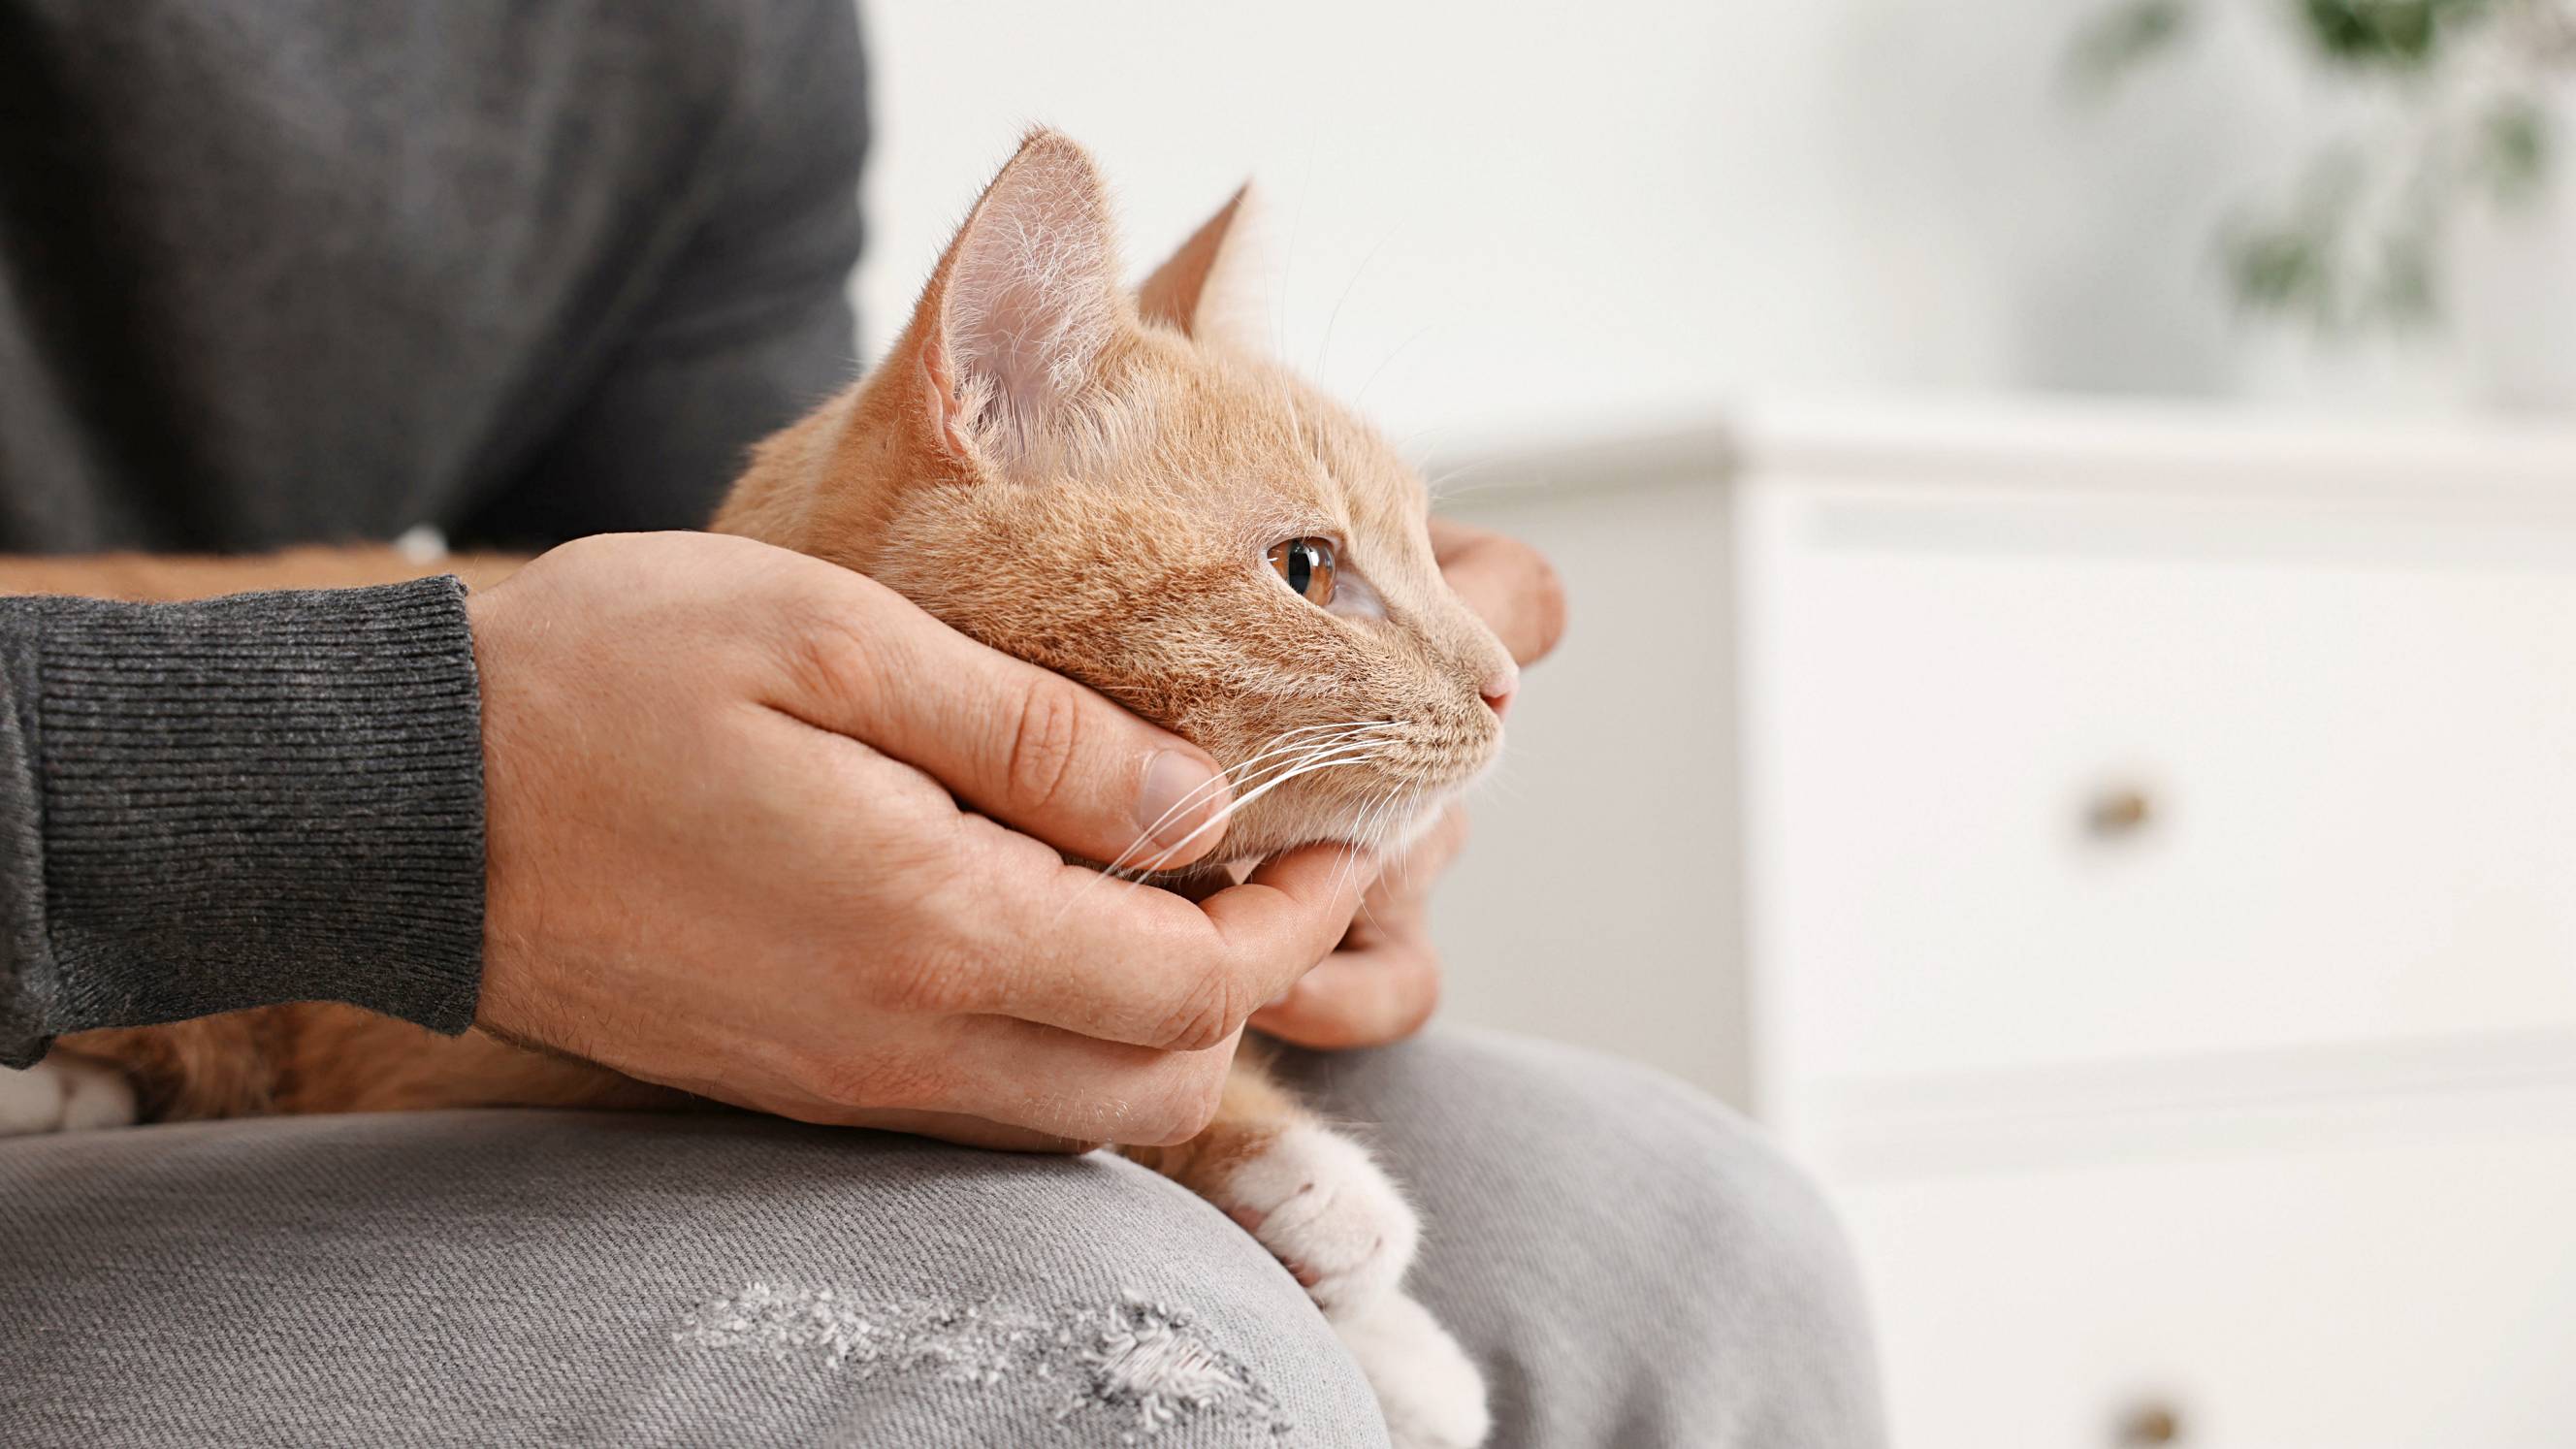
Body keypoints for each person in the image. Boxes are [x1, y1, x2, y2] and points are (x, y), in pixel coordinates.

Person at [0, 5, 1883, 1445]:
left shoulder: (711, 43)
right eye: (1315, 570)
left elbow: (767, 546)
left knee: (1703, 1236)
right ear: (994, 399)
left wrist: (1249, 821)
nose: (1479, 666)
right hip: (134, 871)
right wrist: (402, 787)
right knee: (1127, 1357)